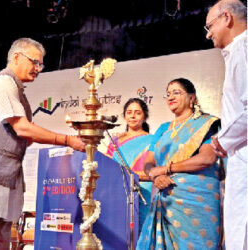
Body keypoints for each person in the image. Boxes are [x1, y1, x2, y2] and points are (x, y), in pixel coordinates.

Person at [0, 38, 85, 249]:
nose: (38, 69)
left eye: (40, 65)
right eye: (34, 62)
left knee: (1, 244)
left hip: (5, 179)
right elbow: (22, 128)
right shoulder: (1, 83)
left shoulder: (17, 90)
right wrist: (67, 140)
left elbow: (27, 136)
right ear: (16, 57)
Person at [136, 78, 222, 249]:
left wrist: (167, 169)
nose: (170, 97)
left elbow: (207, 158)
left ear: (192, 99)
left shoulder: (205, 124)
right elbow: (149, 163)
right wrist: (156, 176)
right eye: (168, 94)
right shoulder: (163, 128)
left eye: (176, 92)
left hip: (197, 201)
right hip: (166, 199)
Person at [205, 1, 247, 249]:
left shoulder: (243, 49)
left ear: (227, 18)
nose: (208, 33)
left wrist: (223, 140)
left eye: (210, 25)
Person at [103, 98, 153, 231]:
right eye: (129, 112)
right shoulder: (115, 141)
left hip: (142, 192)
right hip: (116, 193)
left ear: (145, 116)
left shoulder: (152, 140)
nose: (132, 116)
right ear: (124, 116)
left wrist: (132, 175)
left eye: (137, 112)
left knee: (140, 233)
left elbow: (155, 172)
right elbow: (107, 168)